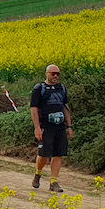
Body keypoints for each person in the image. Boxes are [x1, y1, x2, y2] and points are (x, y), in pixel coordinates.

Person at [29, 64, 71, 193]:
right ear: (47, 73)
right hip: (46, 125)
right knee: (44, 154)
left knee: (58, 154)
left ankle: (54, 182)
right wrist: (37, 127)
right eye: (53, 73)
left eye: (58, 74)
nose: (56, 76)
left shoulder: (61, 89)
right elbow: (34, 109)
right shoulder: (39, 89)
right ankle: (38, 173)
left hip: (60, 126)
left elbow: (65, 108)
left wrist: (69, 126)